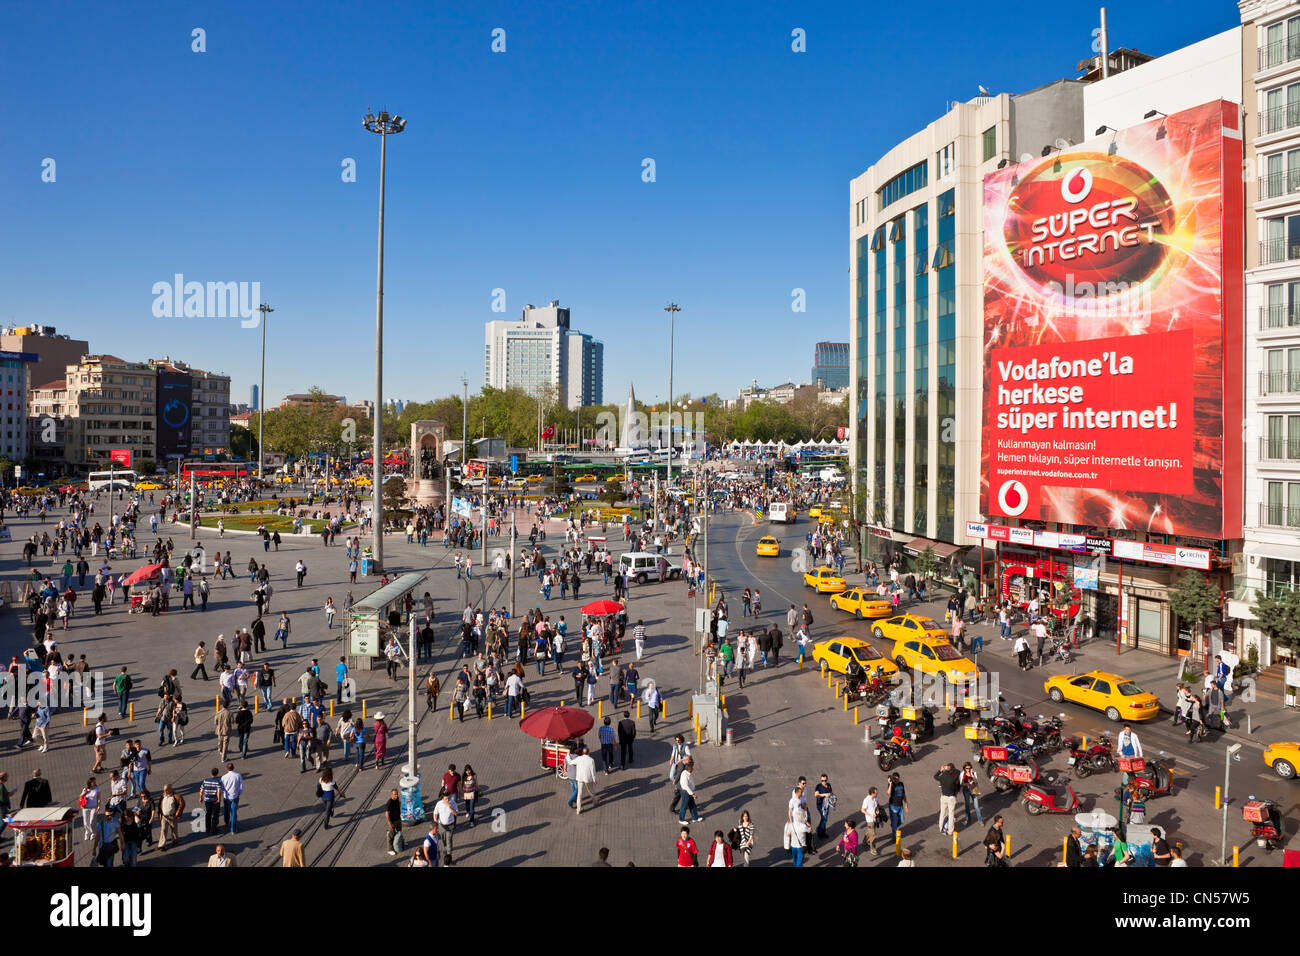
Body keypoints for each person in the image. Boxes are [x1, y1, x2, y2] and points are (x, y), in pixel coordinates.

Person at [572, 745, 598, 814]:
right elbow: (593, 771)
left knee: (579, 794)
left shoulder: (579, 758)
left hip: (580, 778)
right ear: (588, 752)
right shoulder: (591, 760)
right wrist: (594, 779)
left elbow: (571, 762)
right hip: (587, 778)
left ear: (582, 753)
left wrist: (568, 756)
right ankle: (595, 802)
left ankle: (578, 809)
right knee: (591, 791)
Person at [935, 762, 959, 835]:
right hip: (951, 797)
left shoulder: (942, 776)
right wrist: (951, 768)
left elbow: (935, 776)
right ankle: (950, 831)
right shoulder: (953, 777)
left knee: (942, 813)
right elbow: (958, 772)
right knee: (951, 814)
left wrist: (941, 770)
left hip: (943, 797)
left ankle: (940, 827)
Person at [159, 783, 186, 850]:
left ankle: (175, 840)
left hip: (172, 816)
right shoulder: (163, 796)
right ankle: (161, 845)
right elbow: (160, 805)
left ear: (170, 789)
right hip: (164, 816)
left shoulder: (176, 796)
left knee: (174, 829)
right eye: (164, 790)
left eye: (166, 790)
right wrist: (160, 813)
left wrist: (178, 812)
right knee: (163, 830)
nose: (164, 791)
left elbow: (182, 804)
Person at [220, 763, 243, 834]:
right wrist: (238, 793)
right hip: (235, 797)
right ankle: (233, 829)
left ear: (227, 769)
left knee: (226, 811)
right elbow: (241, 787)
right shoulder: (238, 776)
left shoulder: (223, 777)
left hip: (226, 797)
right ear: (233, 767)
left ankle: (227, 823)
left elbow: (222, 788)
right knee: (233, 813)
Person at [959, 761, 984, 827]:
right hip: (966, 790)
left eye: (969, 768)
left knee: (976, 806)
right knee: (967, 806)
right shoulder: (962, 773)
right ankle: (968, 819)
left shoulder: (974, 773)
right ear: (964, 768)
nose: (968, 769)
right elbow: (962, 783)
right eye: (967, 768)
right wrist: (968, 784)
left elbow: (976, 782)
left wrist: (972, 775)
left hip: (974, 790)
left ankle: (980, 820)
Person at [860, 786, 882, 856]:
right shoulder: (866, 800)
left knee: (870, 831)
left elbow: (878, 805)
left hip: (875, 818)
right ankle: (873, 849)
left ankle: (865, 841)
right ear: (872, 793)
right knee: (873, 835)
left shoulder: (876, 798)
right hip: (870, 819)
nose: (877, 794)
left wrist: (878, 810)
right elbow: (862, 810)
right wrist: (870, 815)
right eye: (876, 793)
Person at [677, 757, 701, 823]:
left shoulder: (687, 773)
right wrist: (693, 794)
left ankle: (695, 818)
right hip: (686, 792)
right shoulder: (685, 775)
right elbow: (685, 786)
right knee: (683, 806)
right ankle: (681, 819)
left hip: (689, 792)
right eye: (692, 768)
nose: (693, 769)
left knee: (692, 805)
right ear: (689, 769)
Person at [814, 773, 835, 841]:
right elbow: (816, 795)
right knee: (824, 818)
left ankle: (823, 832)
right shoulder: (818, 786)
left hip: (826, 805)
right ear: (821, 780)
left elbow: (831, 793)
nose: (824, 782)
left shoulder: (829, 785)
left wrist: (833, 800)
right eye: (822, 780)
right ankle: (819, 831)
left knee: (824, 819)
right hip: (820, 805)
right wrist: (825, 794)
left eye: (825, 780)